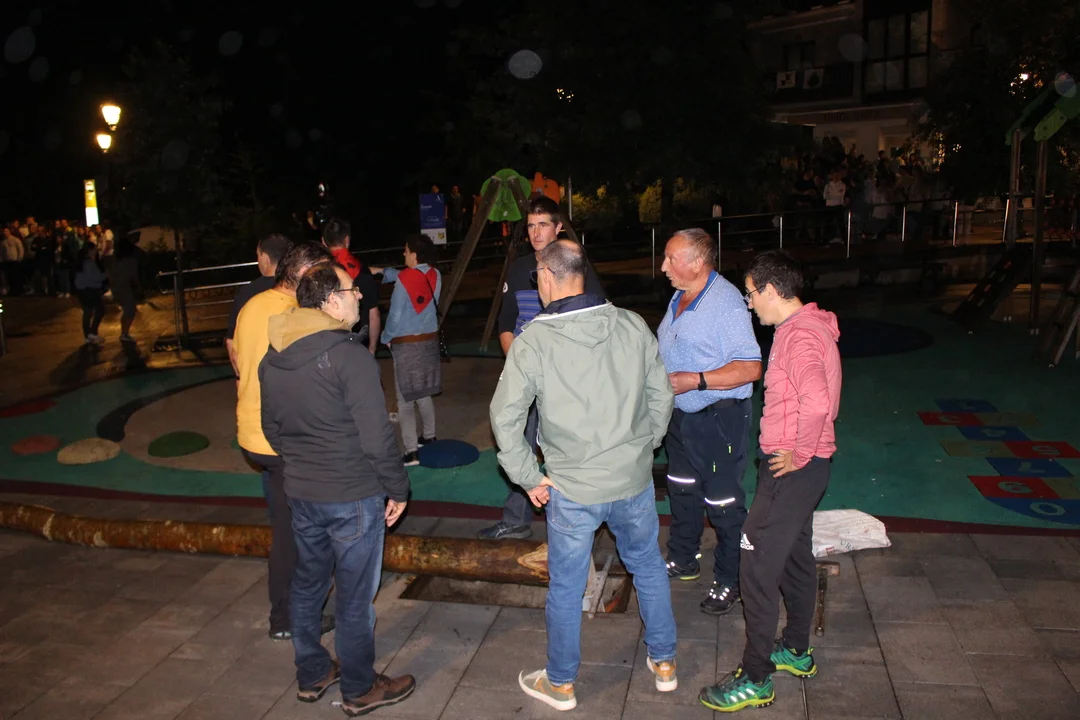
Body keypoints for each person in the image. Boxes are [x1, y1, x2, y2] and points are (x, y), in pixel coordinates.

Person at [490, 239, 676, 712]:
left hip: (572, 487)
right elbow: (662, 394)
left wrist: (529, 476)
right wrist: (645, 446)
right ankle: (665, 662)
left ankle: (562, 683)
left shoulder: (535, 340)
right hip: (631, 479)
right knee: (647, 564)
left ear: (546, 277)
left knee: (567, 586)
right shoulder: (631, 324)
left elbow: (505, 418)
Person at [260, 262, 416, 716]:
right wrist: (398, 488)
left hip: (302, 493)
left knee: (308, 584)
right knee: (353, 596)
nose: (360, 296)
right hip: (352, 496)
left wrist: (303, 463)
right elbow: (377, 438)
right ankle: (359, 687)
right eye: (352, 291)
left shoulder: (273, 357)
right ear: (330, 301)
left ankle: (312, 673)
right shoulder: (349, 357)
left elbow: (272, 429)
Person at [699, 250, 841, 713]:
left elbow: (817, 405)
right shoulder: (805, 328)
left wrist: (798, 452)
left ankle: (756, 677)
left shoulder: (799, 337)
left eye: (750, 293)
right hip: (805, 469)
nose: (748, 302)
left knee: (756, 566)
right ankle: (796, 649)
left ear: (772, 290)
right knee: (796, 558)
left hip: (792, 468)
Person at [478, 195, 605, 541]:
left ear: (558, 227)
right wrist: (519, 366)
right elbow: (506, 322)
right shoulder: (519, 269)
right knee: (518, 444)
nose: (535, 233)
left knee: (567, 450)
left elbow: (597, 316)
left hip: (567, 380)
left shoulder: (575, 265)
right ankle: (516, 518)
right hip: (528, 376)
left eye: (543, 225)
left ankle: (578, 522)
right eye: (531, 226)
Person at [657, 228, 761, 616]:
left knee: (722, 502)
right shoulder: (681, 294)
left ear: (698, 262)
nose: (663, 266)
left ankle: (731, 578)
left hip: (717, 419)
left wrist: (695, 379)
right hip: (681, 417)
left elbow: (750, 367)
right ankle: (684, 558)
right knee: (682, 490)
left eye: (671, 258)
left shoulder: (726, 304)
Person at [234, 240, 333, 639]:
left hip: (254, 433)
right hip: (283, 437)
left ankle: (286, 615)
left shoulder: (253, 304)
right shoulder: (294, 316)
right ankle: (292, 617)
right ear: (306, 273)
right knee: (302, 535)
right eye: (324, 273)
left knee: (285, 527)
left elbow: (238, 362)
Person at [369, 234, 442, 467]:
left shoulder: (405, 280)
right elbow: (409, 277)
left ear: (414, 254)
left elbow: (395, 316)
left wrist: (385, 338)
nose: (404, 254)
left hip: (406, 345)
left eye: (406, 250)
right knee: (423, 392)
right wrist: (382, 271)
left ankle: (411, 452)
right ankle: (429, 436)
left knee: (405, 400)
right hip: (428, 342)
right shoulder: (435, 275)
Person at [226, 233, 293, 376]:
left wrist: (239, 377)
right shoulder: (299, 288)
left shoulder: (247, 293)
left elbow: (231, 341)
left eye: (257, 255)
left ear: (265, 258)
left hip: (256, 377)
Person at [322, 217, 381, 354]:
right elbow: (374, 315)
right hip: (359, 344)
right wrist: (372, 349)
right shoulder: (362, 270)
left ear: (323, 242)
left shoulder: (318, 272)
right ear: (347, 240)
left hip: (327, 344)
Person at [103, 236, 141, 343]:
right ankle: (125, 333)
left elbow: (108, 272)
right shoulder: (130, 261)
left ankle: (124, 332)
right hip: (125, 287)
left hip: (116, 287)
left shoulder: (112, 259)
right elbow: (134, 276)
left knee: (127, 310)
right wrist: (138, 287)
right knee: (130, 310)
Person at [73, 241, 108, 344]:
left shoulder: (81, 262)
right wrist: (106, 275)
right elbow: (93, 277)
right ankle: (93, 333)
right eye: (95, 249)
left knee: (88, 312)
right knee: (100, 310)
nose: (96, 251)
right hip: (89, 289)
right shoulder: (88, 262)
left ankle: (88, 335)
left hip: (82, 289)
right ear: (90, 250)